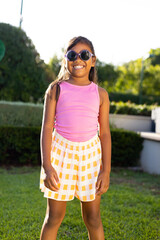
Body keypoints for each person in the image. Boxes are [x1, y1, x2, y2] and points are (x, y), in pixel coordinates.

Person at [39, 36, 111, 240]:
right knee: (53, 217)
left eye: (84, 54)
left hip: (90, 156)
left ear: (93, 60)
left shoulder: (101, 94)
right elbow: (46, 127)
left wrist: (106, 170)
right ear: (65, 59)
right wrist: (47, 166)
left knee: (94, 218)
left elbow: (105, 133)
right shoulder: (55, 89)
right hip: (60, 155)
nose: (78, 59)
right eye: (72, 54)